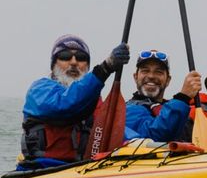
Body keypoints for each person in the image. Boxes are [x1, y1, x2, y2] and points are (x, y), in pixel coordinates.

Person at [19, 35, 130, 168]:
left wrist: (140, 142)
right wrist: (105, 68)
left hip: (80, 169)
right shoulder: (39, 90)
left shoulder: (93, 100)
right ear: (54, 64)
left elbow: (116, 131)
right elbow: (66, 105)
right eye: (65, 56)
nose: (73, 62)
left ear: (87, 66)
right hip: (41, 168)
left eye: (81, 58)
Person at [123, 49, 203, 143]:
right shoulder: (127, 110)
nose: (151, 76)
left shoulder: (180, 111)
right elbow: (153, 138)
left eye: (159, 72)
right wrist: (183, 97)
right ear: (135, 77)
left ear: (168, 80)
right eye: (145, 71)